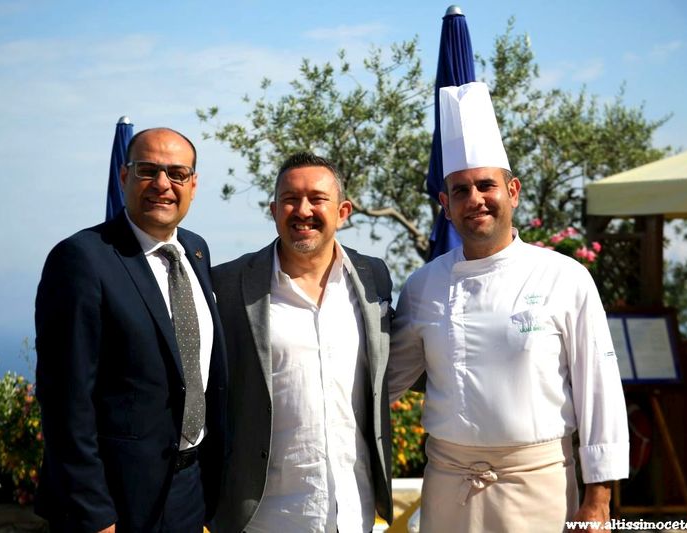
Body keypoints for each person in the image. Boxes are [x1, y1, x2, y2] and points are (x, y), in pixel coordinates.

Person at [389, 82, 629, 532]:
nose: (475, 199)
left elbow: (599, 388)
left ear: (512, 191)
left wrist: (598, 497)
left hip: (539, 488)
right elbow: (384, 384)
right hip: (448, 487)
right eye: (460, 190)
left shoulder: (565, 277)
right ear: (444, 205)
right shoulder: (423, 286)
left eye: (486, 185)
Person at [34, 128, 227, 532]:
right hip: (117, 501)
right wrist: (95, 515)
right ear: (124, 177)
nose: (162, 184)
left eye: (176, 173)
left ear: (193, 184)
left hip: (188, 491)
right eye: (147, 170)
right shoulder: (82, 260)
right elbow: (66, 403)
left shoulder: (196, 250)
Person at [211, 152, 393, 532]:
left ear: (343, 211)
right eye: (290, 199)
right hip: (263, 516)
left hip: (354, 510)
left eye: (316, 198)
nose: (303, 210)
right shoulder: (227, 286)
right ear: (273, 209)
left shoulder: (372, 278)